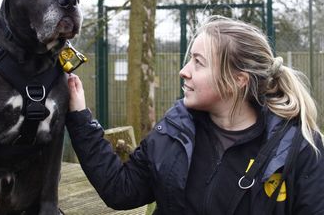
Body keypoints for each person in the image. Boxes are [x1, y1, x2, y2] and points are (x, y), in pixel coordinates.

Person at [66, 15, 324, 215]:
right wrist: (79, 117)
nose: (183, 71)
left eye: (198, 62)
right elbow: (120, 190)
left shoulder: (298, 149)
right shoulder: (176, 129)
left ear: (238, 80)